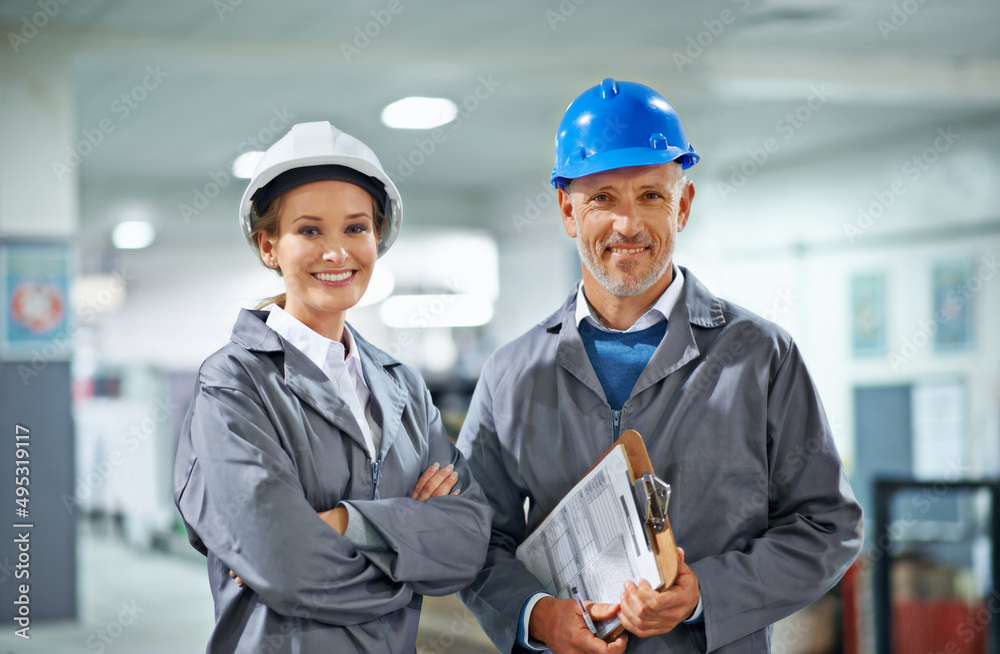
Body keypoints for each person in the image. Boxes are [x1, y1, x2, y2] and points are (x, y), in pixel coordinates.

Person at [457, 79, 863, 653]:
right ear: (567, 210)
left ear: (684, 206)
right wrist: (537, 615)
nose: (628, 225)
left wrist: (705, 594)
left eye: (651, 195)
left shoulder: (759, 357)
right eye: (602, 199)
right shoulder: (511, 374)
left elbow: (827, 526)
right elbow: (475, 539)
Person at [173, 121, 493, 653]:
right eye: (309, 230)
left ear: (377, 238)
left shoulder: (403, 389)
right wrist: (410, 555)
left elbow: (467, 542)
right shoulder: (233, 384)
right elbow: (285, 565)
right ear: (269, 245)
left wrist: (342, 522)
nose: (336, 251)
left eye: (355, 228)